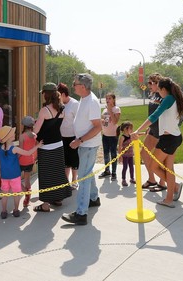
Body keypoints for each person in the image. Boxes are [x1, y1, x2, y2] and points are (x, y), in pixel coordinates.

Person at [131, 77, 183, 208]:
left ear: (162, 89)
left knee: (154, 166)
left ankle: (174, 189)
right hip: (175, 137)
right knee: (169, 168)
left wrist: (137, 130)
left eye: (159, 90)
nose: (158, 93)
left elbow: (154, 115)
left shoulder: (168, 98)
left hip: (169, 140)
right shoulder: (173, 98)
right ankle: (170, 197)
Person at [61, 73, 102, 225]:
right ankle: (93, 198)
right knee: (87, 172)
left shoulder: (91, 102)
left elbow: (98, 127)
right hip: (84, 144)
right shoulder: (84, 98)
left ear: (83, 87)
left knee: (83, 178)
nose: (73, 86)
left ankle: (81, 213)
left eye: (75, 84)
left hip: (88, 145)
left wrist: (80, 140)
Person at [33, 82, 72, 212]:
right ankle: (58, 198)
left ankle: (45, 204)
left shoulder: (44, 110)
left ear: (46, 94)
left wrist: (33, 126)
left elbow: (36, 130)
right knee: (57, 173)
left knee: (46, 175)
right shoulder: (62, 109)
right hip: (58, 145)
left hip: (46, 146)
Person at [0, 126, 42, 219]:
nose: (14, 134)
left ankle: (4, 211)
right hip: (15, 175)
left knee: (4, 195)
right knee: (16, 194)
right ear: (9, 136)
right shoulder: (14, 149)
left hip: (4, 176)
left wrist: (2, 172)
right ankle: (16, 210)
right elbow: (28, 153)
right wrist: (38, 145)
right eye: (12, 133)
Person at [141, 73, 166, 192]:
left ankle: (163, 182)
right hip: (153, 130)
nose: (149, 85)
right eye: (148, 82)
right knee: (144, 153)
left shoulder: (163, 95)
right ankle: (152, 179)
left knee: (160, 159)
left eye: (151, 83)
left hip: (162, 132)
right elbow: (151, 114)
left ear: (158, 83)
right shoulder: (153, 95)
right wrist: (149, 127)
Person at [58, 82, 80, 189]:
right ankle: (65, 182)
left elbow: (79, 120)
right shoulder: (58, 104)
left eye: (58, 95)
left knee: (74, 159)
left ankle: (74, 180)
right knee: (65, 160)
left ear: (63, 94)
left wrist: (78, 138)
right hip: (62, 136)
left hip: (73, 136)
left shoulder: (75, 104)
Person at [98, 93, 121, 181]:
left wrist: (110, 110)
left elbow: (115, 121)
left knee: (113, 154)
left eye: (110, 98)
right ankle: (107, 171)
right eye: (106, 98)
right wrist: (102, 121)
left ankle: (114, 172)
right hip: (105, 135)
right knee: (106, 154)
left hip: (113, 135)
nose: (108, 100)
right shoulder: (104, 110)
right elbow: (103, 119)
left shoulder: (116, 109)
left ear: (114, 99)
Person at [19, 116, 37, 207]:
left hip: (22, 160)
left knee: (16, 179)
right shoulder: (34, 135)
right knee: (27, 180)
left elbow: (21, 150)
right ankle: (27, 197)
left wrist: (15, 157)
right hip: (30, 160)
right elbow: (35, 149)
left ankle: (25, 191)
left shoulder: (22, 136)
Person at [117, 121, 135, 187]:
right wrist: (120, 156)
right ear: (125, 129)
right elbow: (120, 146)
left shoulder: (131, 135)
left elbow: (138, 134)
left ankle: (132, 178)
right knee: (125, 167)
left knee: (131, 167)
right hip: (125, 155)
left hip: (130, 155)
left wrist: (145, 133)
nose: (132, 130)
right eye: (130, 128)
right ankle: (123, 179)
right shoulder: (122, 137)